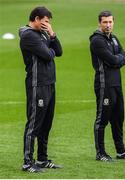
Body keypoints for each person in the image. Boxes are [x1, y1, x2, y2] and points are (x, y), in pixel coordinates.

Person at [89, 11, 125, 162]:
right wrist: (118, 59)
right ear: (99, 23)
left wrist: (117, 59)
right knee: (102, 119)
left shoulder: (114, 39)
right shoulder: (97, 41)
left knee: (118, 118)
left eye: (110, 22)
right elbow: (113, 59)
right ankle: (101, 153)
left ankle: (121, 151)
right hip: (104, 85)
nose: (108, 25)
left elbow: (124, 57)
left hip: (117, 84)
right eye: (105, 22)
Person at [19, 6, 63, 172]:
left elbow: (58, 52)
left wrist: (52, 34)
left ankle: (42, 159)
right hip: (37, 85)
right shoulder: (29, 35)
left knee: (46, 124)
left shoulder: (44, 33)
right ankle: (27, 162)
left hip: (50, 84)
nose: (47, 25)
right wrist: (49, 48)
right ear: (36, 19)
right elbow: (47, 55)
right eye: (45, 22)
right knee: (34, 124)